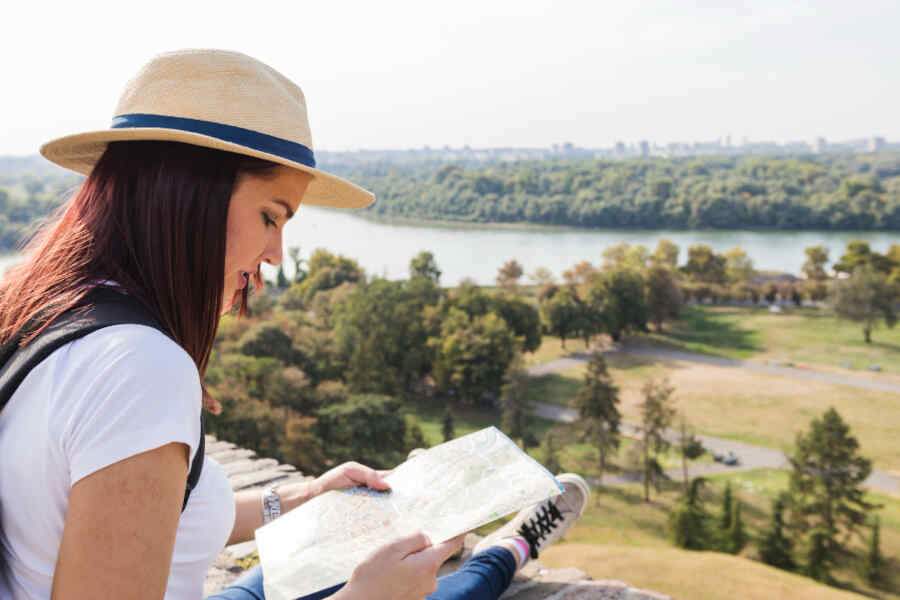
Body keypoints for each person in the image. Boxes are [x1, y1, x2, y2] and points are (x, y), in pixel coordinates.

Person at [0, 49, 589, 600]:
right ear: (188, 196)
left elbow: (136, 512)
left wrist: (301, 497)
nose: (277, 252)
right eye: (269, 216)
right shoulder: (138, 367)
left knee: (304, 566)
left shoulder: (43, 306)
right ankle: (509, 550)